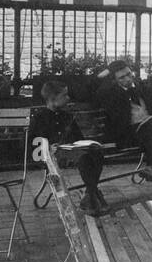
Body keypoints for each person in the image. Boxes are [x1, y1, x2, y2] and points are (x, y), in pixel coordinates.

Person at [99, 61, 152, 198]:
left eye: (128, 74)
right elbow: (89, 87)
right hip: (130, 135)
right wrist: (108, 70)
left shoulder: (145, 89)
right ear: (114, 81)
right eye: (122, 77)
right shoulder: (111, 94)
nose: (127, 79)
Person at [32, 80, 107, 215]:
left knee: (96, 153)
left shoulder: (67, 116)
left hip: (70, 151)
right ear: (53, 99)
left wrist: (85, 145)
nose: (68, 98)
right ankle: (93, 195)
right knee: (84, 158)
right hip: (50, 155)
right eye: (64, 95)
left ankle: (90, 194)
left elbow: (79, 138)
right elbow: (32, 142)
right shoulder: (39, 117)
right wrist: (49, 147)